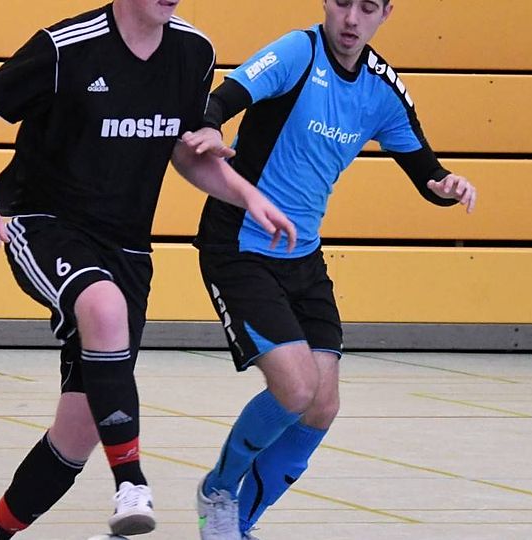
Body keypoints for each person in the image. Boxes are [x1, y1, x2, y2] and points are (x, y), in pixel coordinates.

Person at [0, 1, 296, 537]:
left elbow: (185, 154)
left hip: (128, 250)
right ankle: (131, 482)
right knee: (103, 306)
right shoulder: (67, 47)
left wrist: (248, 196)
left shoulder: (193, 52)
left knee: (79, 432)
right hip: (44, 222)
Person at [183, 0, 477, 538]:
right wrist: (208, 127)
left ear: (386, 13)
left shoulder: (381, 88)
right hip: (239, 244)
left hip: (303, 256)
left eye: (367, 8)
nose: (351, 19)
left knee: (321, 406)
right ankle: (218, 489)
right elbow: (225, 97)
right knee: (295, 389)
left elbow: (426, 171)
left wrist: (446, 185)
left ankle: (239, 525)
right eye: (343, 2)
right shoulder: (298, 52)